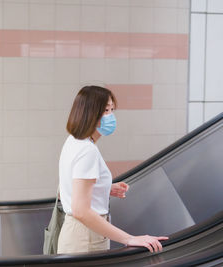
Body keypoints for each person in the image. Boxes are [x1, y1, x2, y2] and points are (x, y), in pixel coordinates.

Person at [57, 85, 168, 254]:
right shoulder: (87, 150)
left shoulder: (73, 141)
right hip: (86, 237)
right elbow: (80, 210)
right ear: (90, 113)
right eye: (106, 111)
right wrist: (129, 239)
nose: (111, 116)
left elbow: (68, 189)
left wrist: (103, 187)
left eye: (112, 110)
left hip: (78, 233)